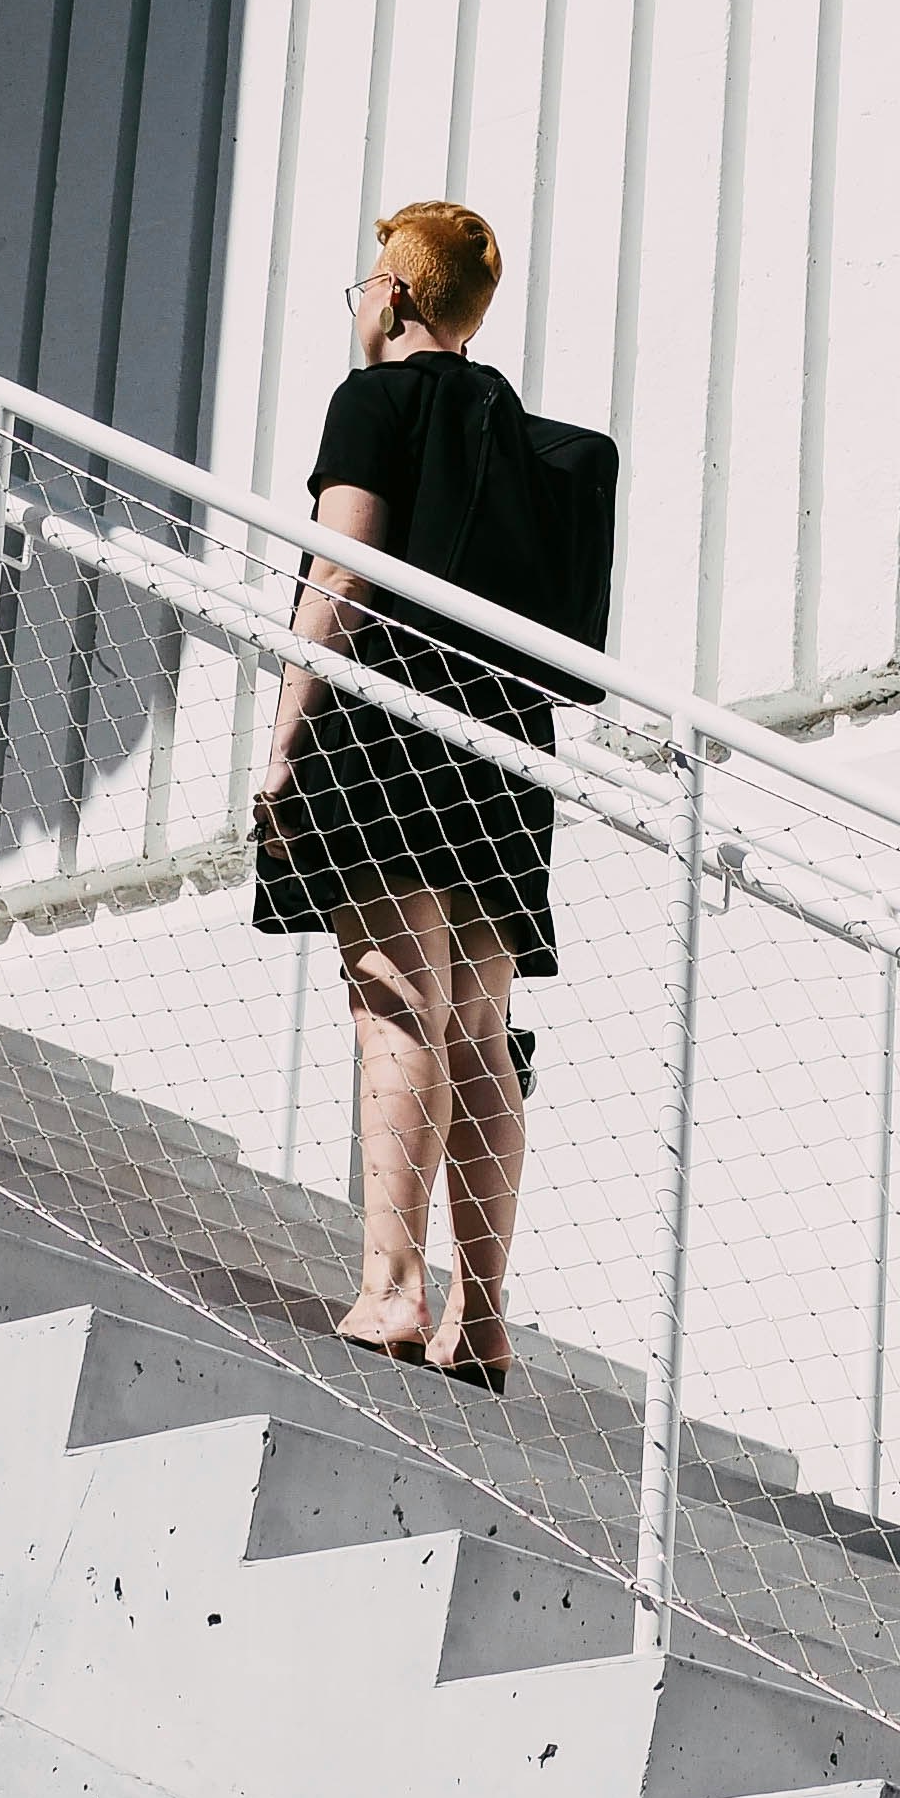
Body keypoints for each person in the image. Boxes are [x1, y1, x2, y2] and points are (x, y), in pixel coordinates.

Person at [252, 200, 607, 1389]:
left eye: (367, 283)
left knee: (395, 1005)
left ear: (396, 297)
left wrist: (285, 741)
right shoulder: (524, 435)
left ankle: (394, 1291)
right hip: (505, 745)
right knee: (478, 1032)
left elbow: (338, 572)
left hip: (392, 721)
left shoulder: (375, 403)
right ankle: (484, 1318)